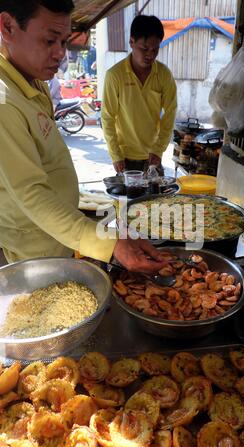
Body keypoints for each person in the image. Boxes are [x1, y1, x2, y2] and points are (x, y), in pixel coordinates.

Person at [0, 0, 167, 273]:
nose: (60, 54)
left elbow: (47, 161)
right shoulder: (3, 101)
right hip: (36, 245)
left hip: (61, 232)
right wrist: (108, 244)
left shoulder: (35, 84)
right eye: (50, 40)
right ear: (7, 27)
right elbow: (30, 193)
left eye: (64, 42)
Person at [101, 15, 177, 175]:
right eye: (144, 49)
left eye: (155, 50)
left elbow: (170, 114)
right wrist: (115, 155)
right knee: (127, 200)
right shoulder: (115, 75)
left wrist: (159, 149)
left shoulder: (164, 75)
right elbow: (107, 118)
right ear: (131, 42)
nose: (150, 55)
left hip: (153, 157)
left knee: (157, 200)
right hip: (124, 158)